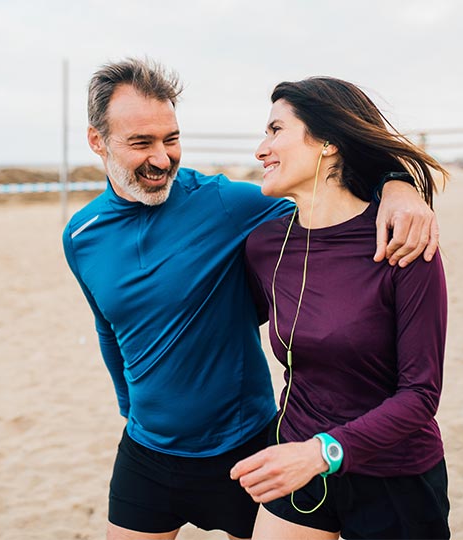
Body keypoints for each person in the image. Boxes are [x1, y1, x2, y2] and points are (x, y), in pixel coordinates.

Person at [62, 58, 439, 540]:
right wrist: (128, 406)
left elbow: (326, 199)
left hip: (245, 446)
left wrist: (396, 185)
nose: (161, 158)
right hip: (146, 451)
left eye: (171, 139)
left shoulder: (226, 203)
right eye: (141, 143)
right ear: (98, 141)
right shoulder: (81, 235)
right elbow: (107, 328)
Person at [229, 77, 450, 539]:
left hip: (395, 478)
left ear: (328, 142)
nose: (261, 149)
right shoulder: (265, 244)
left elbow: (420, 396)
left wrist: (321, 452)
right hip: (297, 465)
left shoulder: (402, 240)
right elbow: (225, 323)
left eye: (275, 131)